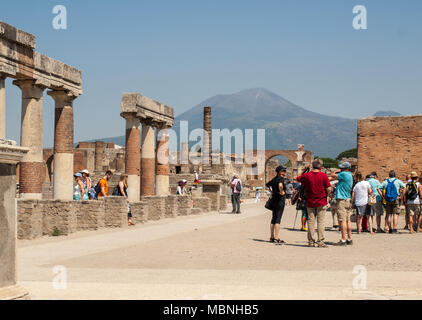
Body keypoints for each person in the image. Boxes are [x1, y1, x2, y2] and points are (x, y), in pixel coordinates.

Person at [297, 159, 331, 248]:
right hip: (322, 201)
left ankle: (311, 242)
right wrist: (327, 195)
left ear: (312, 166)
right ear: (321, 167)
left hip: (310, 201)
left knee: (311, 222)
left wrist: (305, 169)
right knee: (321, 222)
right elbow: (329, 189)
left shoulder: (307, 175)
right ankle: (320, 241)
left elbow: (298, 178)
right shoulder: (324, 176)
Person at [330, 161, 354, 246]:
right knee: (348, 220)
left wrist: (335, 171)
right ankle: (349, 238)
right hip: (348, 199)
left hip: (342, 199)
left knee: (342, 220)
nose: (341, 169)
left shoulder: (344, 174)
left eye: (342, 168)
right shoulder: (350, 175)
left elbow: (332, 175)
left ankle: (343, 239)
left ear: (346, 168)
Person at [266, 166, 287, 244]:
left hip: (274, 199)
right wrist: (282, 192)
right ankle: (276, 237)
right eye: (283, 171)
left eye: (285, 171)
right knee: (278, 218)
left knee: (273, 219)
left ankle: (271, 236)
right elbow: (280, 185)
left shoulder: (274, 179)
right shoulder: (281, 178)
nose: (285, 172)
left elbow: (267, 185)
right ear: (279, 172)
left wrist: (272, 192)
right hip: (280, 200)